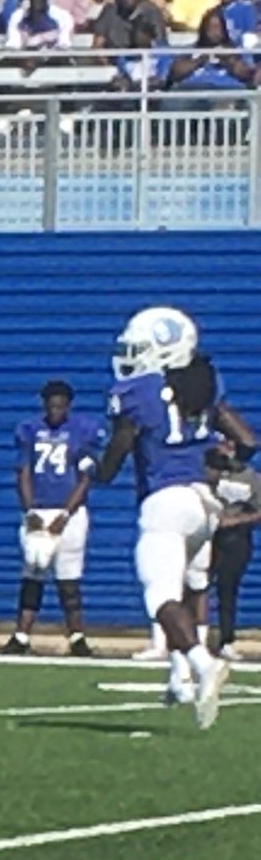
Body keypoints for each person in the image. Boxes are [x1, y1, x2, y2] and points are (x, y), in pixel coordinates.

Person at [70, 303, 255, 710]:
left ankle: (203, 663)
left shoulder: (136, 393)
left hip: (166, 503)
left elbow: (116, 456)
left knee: (160, 598)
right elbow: (247, 442)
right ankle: (178, 677)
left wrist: (93, 469)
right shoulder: (204, 381)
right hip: (205, 504)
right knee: (187, 589)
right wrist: (222, 461)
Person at [9, 375, 103, 651]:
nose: (55, 411)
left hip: (69, 513)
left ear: (68, 406)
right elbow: (23, 472)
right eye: (51, 406)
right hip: (38, 511)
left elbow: (85, 478)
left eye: (60, 406)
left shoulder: (82, 430)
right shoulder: (29, 429)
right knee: (32, 573)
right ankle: (21, 636)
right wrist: (30, 510)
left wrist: (65, 514)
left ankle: (77, 637)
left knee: (68, 579)